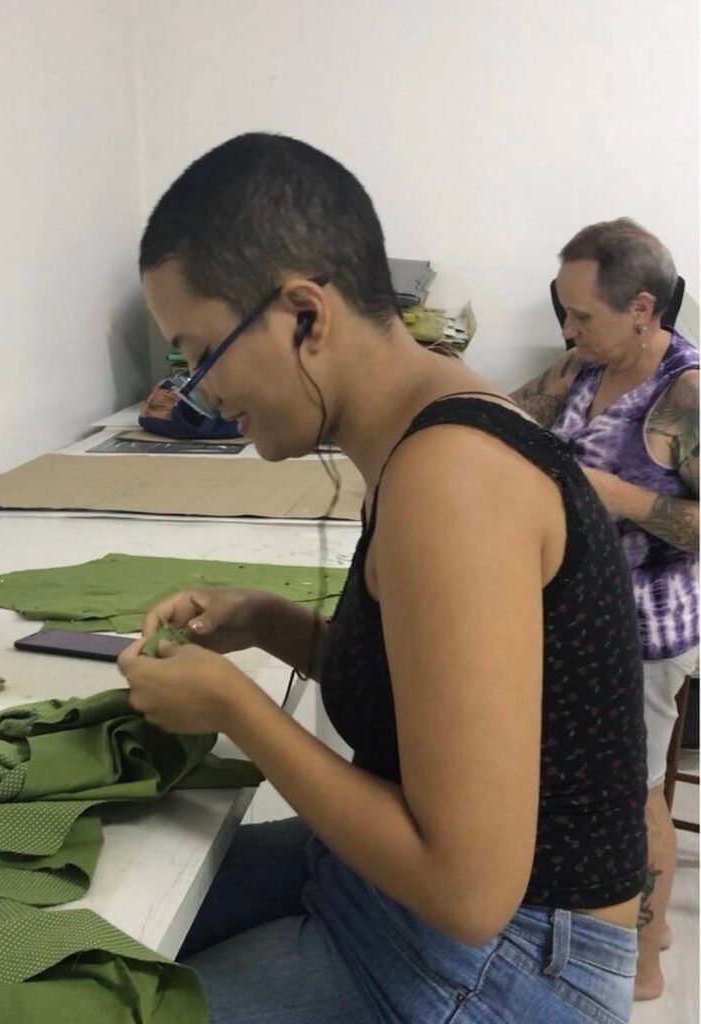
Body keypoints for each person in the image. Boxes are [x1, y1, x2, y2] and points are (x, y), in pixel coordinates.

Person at [117, 134, 648, 1024]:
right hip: (427, 905)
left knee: (99, 998)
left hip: (509, 957)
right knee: (104, 905)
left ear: (305, 316)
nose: (199, 392)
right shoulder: (425, 429)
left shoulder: (453, 480)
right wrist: (270, 620)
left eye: (201, 353)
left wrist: (234, 707)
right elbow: (429, 691)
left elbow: (469, 890)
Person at [510, 218, 699, 1002]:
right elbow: (508, 414)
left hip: (650, 630)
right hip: (581, 617)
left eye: (583, 314)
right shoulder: (583, 368)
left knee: (630, 789)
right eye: (565, 311)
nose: (568, 327)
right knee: (586, 783)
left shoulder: (686, 392)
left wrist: (612, 493)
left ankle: (647, 954)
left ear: (644, 308)